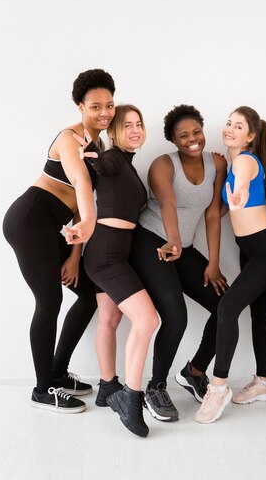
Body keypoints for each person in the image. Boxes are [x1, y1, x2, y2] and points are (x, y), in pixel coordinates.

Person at [2, 68, 115, 413]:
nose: (104, 113)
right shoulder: (69, 139)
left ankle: (57, 372)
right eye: (95, 106)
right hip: (28, 219)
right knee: (48, 301)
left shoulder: (97, 145)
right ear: (79, 106)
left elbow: (79, 211)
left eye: (109, 105)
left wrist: (75, 254)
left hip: (53, 227)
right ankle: (43, 389)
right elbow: (82, 186)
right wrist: (90, 223)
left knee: (91, 293)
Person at [127, 105, 228, 422]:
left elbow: (212, 214)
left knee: (227, 306)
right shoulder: (162, 165)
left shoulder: (216, 163)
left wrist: (213, 262)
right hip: (150, 242)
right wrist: (171, 240)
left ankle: (194, 371)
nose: (192, 139)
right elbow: (168, 204)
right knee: (176, 316)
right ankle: (155, 387)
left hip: (181, 247)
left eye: (196, 131)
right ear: (173, 139)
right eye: (183, 135)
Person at [195, 106, 266, 424]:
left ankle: (218, 388)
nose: (230, 128)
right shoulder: (234, 162)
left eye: (238, 126)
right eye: (228, 123)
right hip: (251, 249)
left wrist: (240, 191)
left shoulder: (246, 161)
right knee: (258, 312)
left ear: (250, 136)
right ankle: (264, 382)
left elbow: (244, 179)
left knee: (227, 308)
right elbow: (223, 207)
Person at [78, 104, 159, 437]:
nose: (135, 130)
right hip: (106, 254)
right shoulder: (112, 159)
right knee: (147, 320)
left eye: (139, 124)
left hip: (113, 251)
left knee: (110, 320)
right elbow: (96, 162)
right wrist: (91, 152)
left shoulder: (128, 164)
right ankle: (131, 398)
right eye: (127, 125)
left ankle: (108, 387)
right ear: (114, 131)